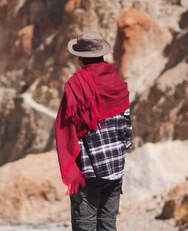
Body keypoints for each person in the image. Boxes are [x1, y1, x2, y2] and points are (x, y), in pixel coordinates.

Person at [54, 31, 132, 231]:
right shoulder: (118, 83)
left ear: (80, 57)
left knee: (85, 224)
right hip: (115, 166)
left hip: (88, 170)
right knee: (108, 223)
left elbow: (67, 128)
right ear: (102, 54)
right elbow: (126, 127)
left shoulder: (76, 85)